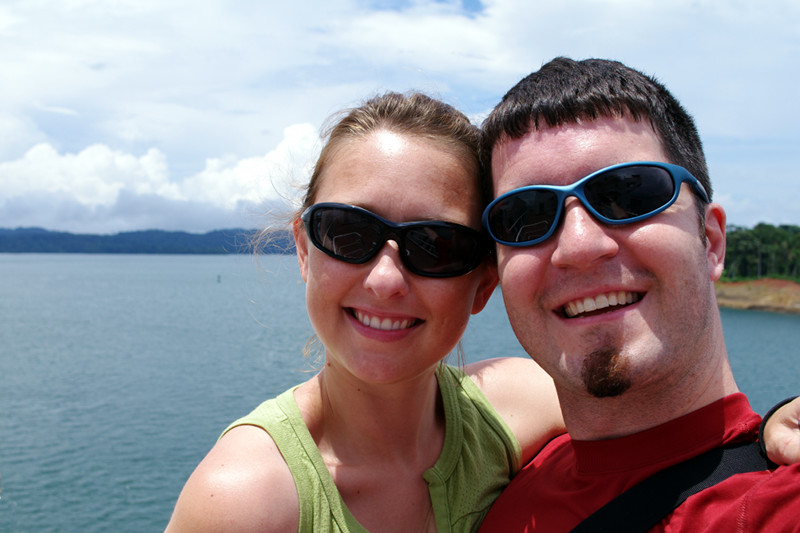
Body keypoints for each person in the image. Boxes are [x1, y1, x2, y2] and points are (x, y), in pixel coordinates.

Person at [164, 91, 566, 533]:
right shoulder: (243, 500)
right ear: (304, 249)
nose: (385, 281)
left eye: (436, 245)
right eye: (348, 232)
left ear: (483, 284)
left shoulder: (530, 404)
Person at [477, 57, 800, 532]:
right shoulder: (494, 473)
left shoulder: (774, 506)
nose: (579, 246)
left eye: (628, 195)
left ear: (709, 241)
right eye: (524, 216)